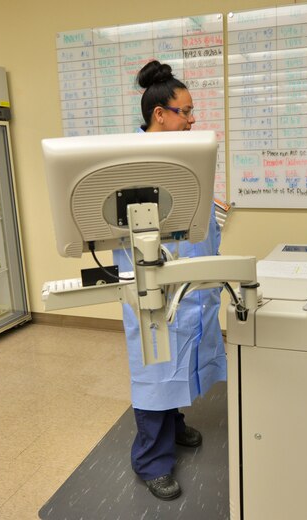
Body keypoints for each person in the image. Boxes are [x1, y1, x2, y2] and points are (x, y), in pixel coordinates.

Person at [112, 60, 226, 501]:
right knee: (156, 365)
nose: (193, 118)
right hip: (154, 283)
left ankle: (175, 427)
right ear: (160, 114)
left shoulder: (186, 153)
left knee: (186, 354)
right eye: (186, 110)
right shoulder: (128, 159)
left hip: (192, 281)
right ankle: (150, 460)